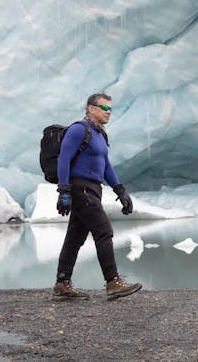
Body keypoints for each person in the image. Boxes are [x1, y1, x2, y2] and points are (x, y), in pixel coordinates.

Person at [52, 93, 142, 301]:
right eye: (105, 108)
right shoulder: (78, 130)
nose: (108, 112)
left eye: (110, 109)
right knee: (104, 231)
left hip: (93, 188)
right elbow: (64, 159)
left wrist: (120, 190)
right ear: (91, 108)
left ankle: (62, 283)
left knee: (75, 238)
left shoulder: (100, 135)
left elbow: (106, 166)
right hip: (80, 187)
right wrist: (64, 190)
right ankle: (113, 282)